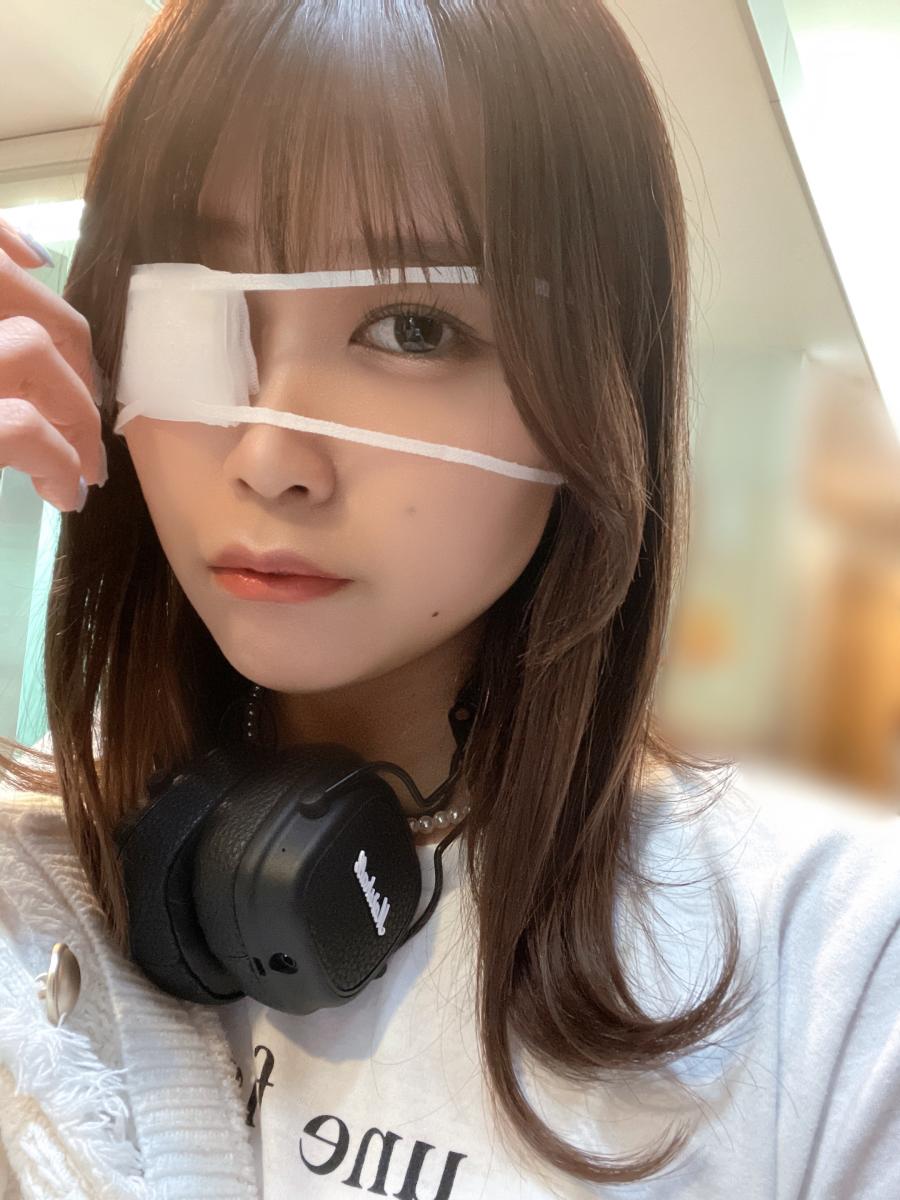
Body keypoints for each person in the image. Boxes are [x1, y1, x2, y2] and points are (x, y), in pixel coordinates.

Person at [0, 1, 897, 1197]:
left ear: (595, 395)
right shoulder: (30, 879)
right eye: (196, 308)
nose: (270, 459)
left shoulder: (832, 959)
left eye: (414, 328)